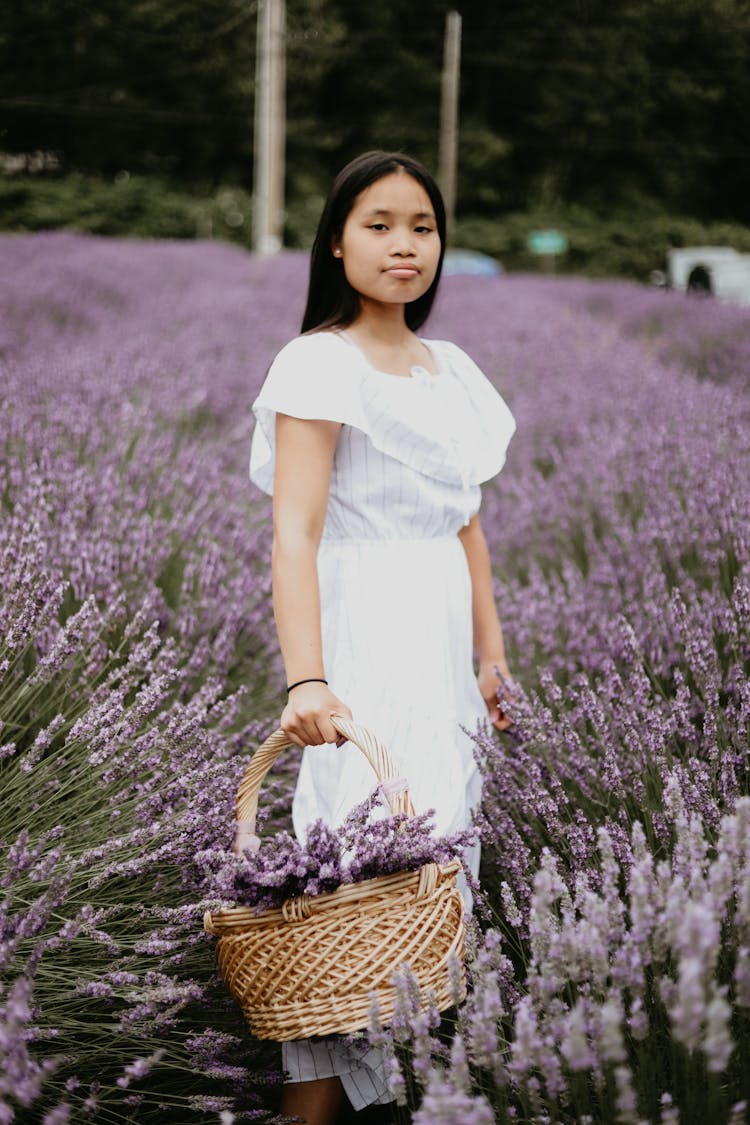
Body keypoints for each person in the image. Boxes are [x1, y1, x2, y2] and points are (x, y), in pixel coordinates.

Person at [248, 150, 516, 1125]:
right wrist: (306, 680)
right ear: (335, 238)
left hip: (441, 644)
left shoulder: (454, 370)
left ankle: (403, 1096)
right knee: (343, 873)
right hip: (359, 638)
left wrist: (492, 655)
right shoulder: (318, 361)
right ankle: (309, 1111)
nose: (405, 246)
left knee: (435, 875)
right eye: (380, 224)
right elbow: (296, 531)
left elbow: (466, 525)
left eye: (423, 226)